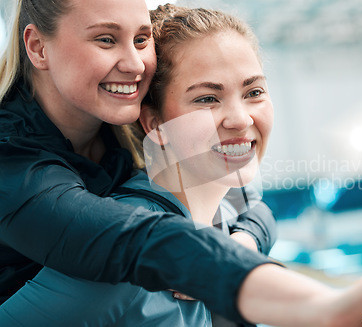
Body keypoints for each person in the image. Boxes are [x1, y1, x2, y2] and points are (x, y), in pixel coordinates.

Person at [1, 4, 362, 327]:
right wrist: (326, 309)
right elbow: (142, 245)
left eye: (255, 91)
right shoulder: (112, 250)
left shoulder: (184, 183)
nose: (239, 119)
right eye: (207, 98)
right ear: (154, 122)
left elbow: (253, 205)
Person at [0, 0, 278, 324]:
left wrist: (243, 240)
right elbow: (118, 239)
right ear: (37, 47)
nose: (135, 64)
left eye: (141, 39)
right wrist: (205, 261)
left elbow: (250, 204)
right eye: (106, 39)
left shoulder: (116, 125)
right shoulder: (14, 158)